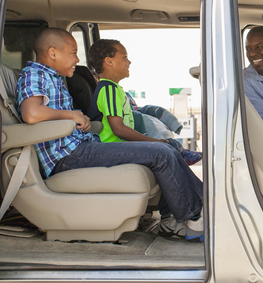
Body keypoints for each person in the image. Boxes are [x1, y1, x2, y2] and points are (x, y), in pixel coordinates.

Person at [16, 28, 203, 240]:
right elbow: (31, 113)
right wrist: (71, 115)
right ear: (52, 53)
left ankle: (200, 205)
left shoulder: (54, 78)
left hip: (80, 147)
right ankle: (194, 217)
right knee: (160, 152)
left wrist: (78, 120)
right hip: (67, 157)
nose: (78, 59)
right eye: (73, 52)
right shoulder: (34, 75)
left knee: (163, 150)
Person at [86, 39, 201, 165]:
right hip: (111, 147)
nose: (129, 62)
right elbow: (119, 129)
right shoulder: (108, 89)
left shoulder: (115, 89)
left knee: (167, 145)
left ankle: (182, 154)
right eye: (125, 58)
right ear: (109, 61)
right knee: (162, 149)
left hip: (119, 144)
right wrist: (152, 141)